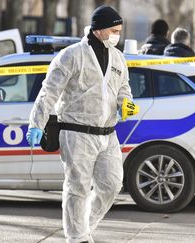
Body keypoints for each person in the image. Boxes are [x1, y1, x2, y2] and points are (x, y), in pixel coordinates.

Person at [26, 5, 133, 243]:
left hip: (108, 133)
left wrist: (126, 103)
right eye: (114, 30)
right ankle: (77, 238)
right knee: (78, 187)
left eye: (119, 30)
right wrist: (37, 123)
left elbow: (124, 88)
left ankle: (84, 228)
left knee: (112, 185)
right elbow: (49, 92)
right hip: (77, 132)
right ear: (99, 29)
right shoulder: (72, 55)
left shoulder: (118, 57)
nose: (118, 34)